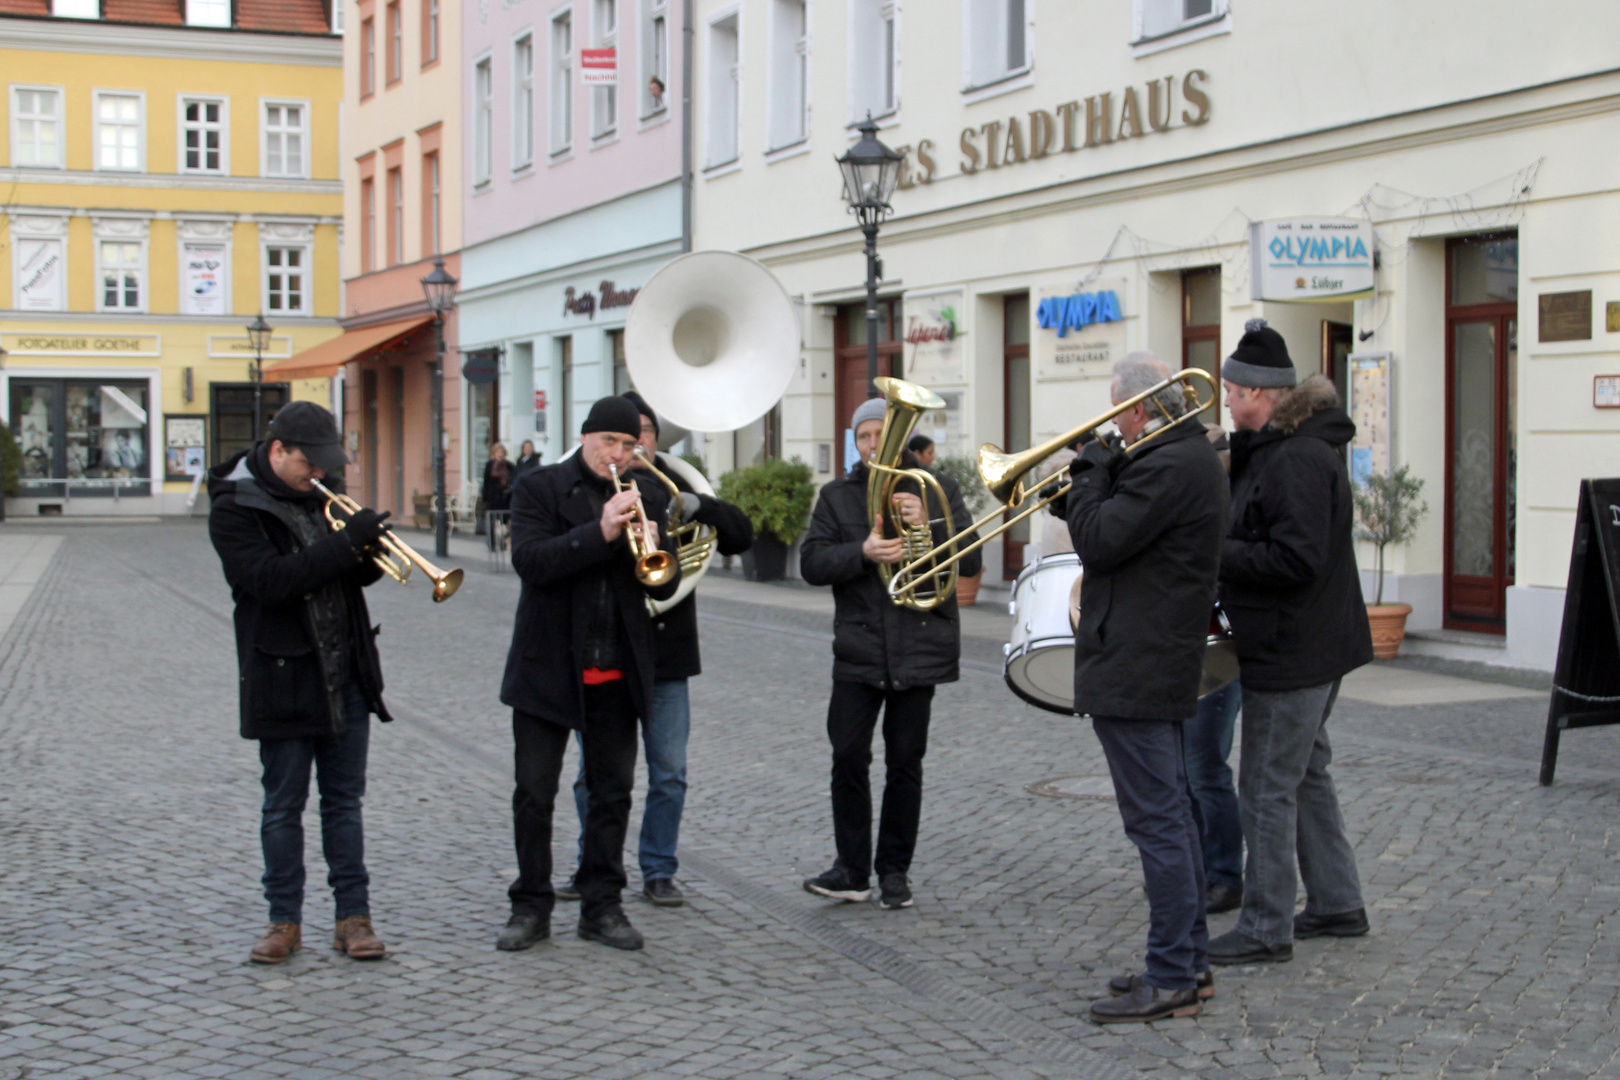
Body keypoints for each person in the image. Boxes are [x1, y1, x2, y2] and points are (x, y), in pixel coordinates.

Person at [1207, 319, 1374, 966]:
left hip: (1294, 649)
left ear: (1261, 393)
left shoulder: (1299, 458)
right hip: (1308, 643)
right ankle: (1336, 902)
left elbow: (1296, 559)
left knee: (1268, 787)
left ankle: (1266, 926)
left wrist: (1216, 554)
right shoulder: (1285, 448)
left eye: (1230, 388)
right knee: (1306, 777)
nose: (1224, 398)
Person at [1067, 352, 1228, 1024]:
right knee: (1173, 818)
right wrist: (1100, 477)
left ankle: (1171, 976)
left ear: (1137, 408)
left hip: (1138, 661)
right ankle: (1189, 961)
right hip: (1155, 656)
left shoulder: (1166, 463)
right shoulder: (1181, 458)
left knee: (1157, 823)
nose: (1115, 427)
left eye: (1117, 413)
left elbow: (1099, 539)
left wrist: (1086, 471)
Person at [206, 401, 396, 966]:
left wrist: (369, 553)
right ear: (277, 450)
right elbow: (271, 582)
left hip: (346, 672)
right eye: (308, 462)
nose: (318, 472)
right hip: (283, 673)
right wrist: (345, 546)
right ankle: (283, 920)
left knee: (345, 803)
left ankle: (353, 919)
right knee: (282, 806)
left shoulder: (321, 492)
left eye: (324, 463)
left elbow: (344, 576)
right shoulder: (235, 508)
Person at [496, 396, 682, 953]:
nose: (619, 454)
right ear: (585, 439)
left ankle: (602, 906)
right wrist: (600, 532)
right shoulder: (540, 488)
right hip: (548, 666)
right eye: (609, 443)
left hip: (616, 668)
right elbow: (531, 562)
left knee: (612, 793)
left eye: (628, 445)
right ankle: (530, 906)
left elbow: (665, 583)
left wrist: (653, 549)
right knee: (534, 793)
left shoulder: (644, 494)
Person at [555, 391, 754, 908]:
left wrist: (698, 505)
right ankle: (594, 865)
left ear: (654, 438)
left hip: (666, 652)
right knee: (592, 775)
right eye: (622, 434)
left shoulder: (675, 479)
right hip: (610, 650)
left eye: (642, 432)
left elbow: (741, 536)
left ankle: (659, 868)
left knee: (669, 770)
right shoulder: (589, 485)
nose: (632, 443)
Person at [798, 395, 980, 911]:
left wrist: (931, 522)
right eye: (863, 437)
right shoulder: (836, 496)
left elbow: (972, 562)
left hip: (919, 646)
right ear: (854, 443)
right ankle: (852, 870)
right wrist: (861, 553)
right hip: (858, 648)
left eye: (881, 434)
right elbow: (812, 562)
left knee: (906, 764)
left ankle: (894, 871)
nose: (873, 444)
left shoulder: (937, 487)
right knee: (847, 757)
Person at [482, 443, 513, 546]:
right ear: (494, 454)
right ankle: (491, 543)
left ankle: (504, 542)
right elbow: (486, 482)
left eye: (501, 452)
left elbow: (513, 480)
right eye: (497, 452)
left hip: (505, 498)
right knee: (491, 521)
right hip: (492, 497)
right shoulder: (489, 465)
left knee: (505, 522)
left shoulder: (509, 466)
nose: (499, 454)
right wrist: (484, 498)